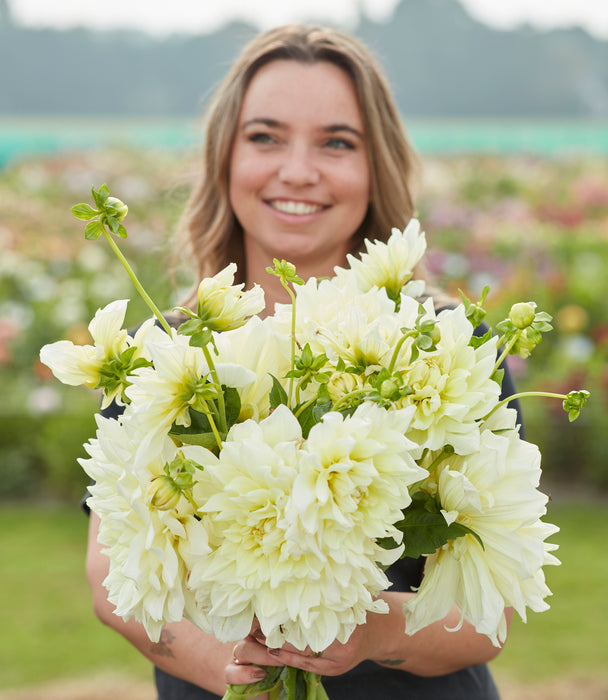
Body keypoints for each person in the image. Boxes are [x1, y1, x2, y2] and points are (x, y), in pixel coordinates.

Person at [86, 24, 515, 699]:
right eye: (265, 136)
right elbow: (111, 574)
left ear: (378, 168)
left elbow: (490, 615)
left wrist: (373, 633)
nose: (297, 171)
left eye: (337, 143)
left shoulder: (445, 348)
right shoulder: (165, 355)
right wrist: (225, 666)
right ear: (225, 156)